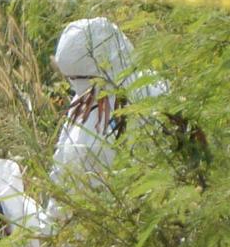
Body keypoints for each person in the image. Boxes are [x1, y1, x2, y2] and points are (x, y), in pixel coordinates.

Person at [46, 17, 167, 223]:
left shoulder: (151, 93)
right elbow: (61, 177)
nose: (75, 84)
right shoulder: (84, 103)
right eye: (72, 78)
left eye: (78, 78)